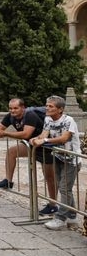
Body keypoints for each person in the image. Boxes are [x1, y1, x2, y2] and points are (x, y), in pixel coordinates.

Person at [0, 98, 58, 215]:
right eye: (11, 108)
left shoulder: (30, 115)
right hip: (31, 145)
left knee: (49, 177)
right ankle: (8, 181)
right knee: (11, 152)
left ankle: (53, 205)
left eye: (16, 108)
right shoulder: (10, 116)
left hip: (45, 147)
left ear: (23, 108)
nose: (13, 111)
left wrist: (5, 133)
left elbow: (26, 133)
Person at [30, 95, 82, 230]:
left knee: (65, 188)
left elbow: (64, 138)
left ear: (60, 109)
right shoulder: (48, 119)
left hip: (71, 159)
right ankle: (72, 216)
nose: (47, 108)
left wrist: (45, 141)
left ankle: (60, 218)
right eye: (47, 105)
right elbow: (44, 134)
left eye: (50, 106)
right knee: (64, 188)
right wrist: (35, 139)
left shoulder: (68, 120)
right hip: (58, 157)